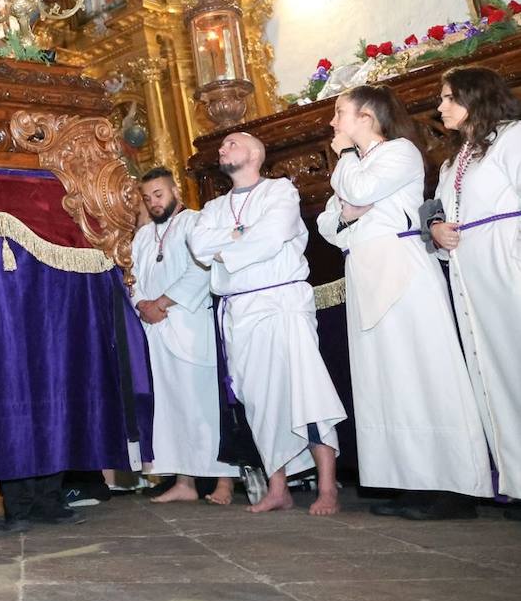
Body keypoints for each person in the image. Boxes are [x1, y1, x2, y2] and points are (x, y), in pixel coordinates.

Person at [316, 86, 492, 519]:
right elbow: (328, 224)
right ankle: (413, 479)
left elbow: (359, 191)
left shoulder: (399, 152)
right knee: (387, 381)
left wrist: (346, 168)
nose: (333, 123)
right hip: (365, 272)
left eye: (341, 113)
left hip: (402, 268)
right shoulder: (357, 164)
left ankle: (455, 487)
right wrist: (346, 212)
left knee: (424, 372)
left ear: (367, 118)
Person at [188, 133, 346, 515]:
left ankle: (327, 488)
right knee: (258, 400)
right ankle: (279, 488)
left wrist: (225, 247)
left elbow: (272, 237)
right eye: (222, 147)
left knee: (305, 391)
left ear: (257, 153)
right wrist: (241, 237)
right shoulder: (211, 207)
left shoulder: (280, 192)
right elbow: (197, 246)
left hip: (281, 302)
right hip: (239, 309)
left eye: (232, 143)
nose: (223, 149)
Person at [427, 66, 521, 507]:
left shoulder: (512, 137)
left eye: (448, 97)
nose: (440, 106)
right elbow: (444, 210)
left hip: (506, 263)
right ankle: (516, 482)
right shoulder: (454, 159)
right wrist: (438, 230)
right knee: (493, 373)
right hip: (471, 274)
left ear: (474, 97)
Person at [131, 168, 238, 505]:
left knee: (206, 403)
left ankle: (226, 480)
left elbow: (201, 270)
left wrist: (162, 302)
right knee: (172, 407)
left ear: (174, 189)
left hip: (190, 324)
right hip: (157, 330)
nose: (154, 203)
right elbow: (132, 276)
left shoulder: (195, 222)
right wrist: (141, 304)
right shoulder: (143, 235)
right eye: (148, 198)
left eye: (159, 194)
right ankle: (185, 481)